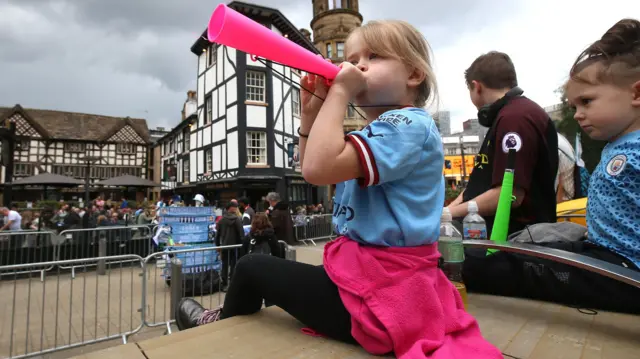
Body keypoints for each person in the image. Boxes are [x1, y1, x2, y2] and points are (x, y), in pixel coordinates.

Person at [176, 20, 501, 359]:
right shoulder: (388, 128)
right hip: (381, 282)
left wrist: (340, 92)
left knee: (250, 268)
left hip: (383, 295)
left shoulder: (405, 124)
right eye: (351, 57)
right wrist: (310, 116)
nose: (355, 66)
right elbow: (315, 166)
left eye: (372, 57)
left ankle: (215, 326)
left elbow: (318, 168)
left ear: (414, 74)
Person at [463, 18, 640, 314]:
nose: (579, 115)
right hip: (604, 255)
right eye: (574, 107)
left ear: (636, 94)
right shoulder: (618, 144)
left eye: (587, 101)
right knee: (524, 253)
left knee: (498, 267)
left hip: (624, 271)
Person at [447, 51, 559, 237]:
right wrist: (447, 212)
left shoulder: (514, 119)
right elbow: (477, 187)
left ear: (477, 87)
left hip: (514, 239)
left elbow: (509, 195)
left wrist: (450, 214)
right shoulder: (511, 115)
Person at [214, 201, 245, 291]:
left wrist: (218, 246)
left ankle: (224, 283)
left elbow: (217, 235)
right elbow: (241, 234)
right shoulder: (237, 220)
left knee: (225, 265)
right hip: (235, 246)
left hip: (224, 246)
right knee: (234, 264)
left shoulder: (221, 220)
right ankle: (232, 283)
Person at [556, 133, 577, 203]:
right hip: (567, 200)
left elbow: (559, 186)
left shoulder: (554, 147)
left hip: (563, 204)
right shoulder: (556, 137)